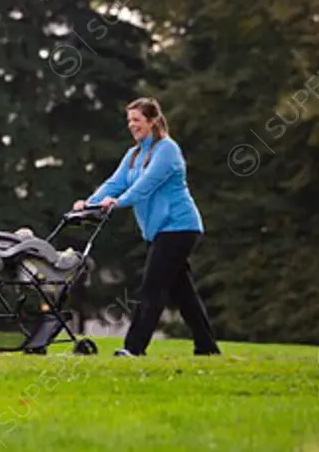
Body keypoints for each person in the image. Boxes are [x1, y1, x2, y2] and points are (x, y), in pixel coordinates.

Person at [73, 96, 220, 357]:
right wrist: (89, 203)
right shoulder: (134, 155)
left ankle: (134, 348)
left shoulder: (167, 150)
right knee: (183, 292)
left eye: (137, 120)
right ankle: (207, 347)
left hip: (179, 228)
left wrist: (116, 203)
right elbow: (113, 183)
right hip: (159, 231)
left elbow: (144, 187)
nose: (131, 125)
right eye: (129, 120)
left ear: (153, 121)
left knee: (152, 288)